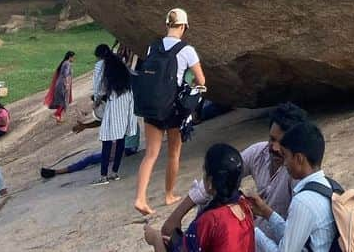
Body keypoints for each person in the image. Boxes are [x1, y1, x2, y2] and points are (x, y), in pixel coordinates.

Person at [162, 103, 307, 240]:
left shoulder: (297, 174)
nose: (274, 147)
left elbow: (293, 232)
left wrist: (263, 212)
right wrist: (177, 216)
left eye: (282, 144)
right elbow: (221, 173)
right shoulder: (259, 152)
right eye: (272, 139)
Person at [134, 8, 206, 216]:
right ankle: (169, 194)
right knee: (173, 151)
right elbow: (201, 80)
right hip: (173, 107)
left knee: (150, 154)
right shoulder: (187, 50)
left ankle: (140, 198)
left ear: (167, 25)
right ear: (183, 27)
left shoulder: (152, 47)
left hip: (152, 106)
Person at [143, 144, 255, 252]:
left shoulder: (211, 220)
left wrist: (156, 239)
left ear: (210, 181)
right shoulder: (244, 204)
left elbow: (169, 231)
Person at [249, 123, 338, 252]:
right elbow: (292, 235)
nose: (284, 163)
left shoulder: (303, 201)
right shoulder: (328, 185)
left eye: (286, 156)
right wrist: (266, 212)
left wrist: (252, 229)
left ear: (299, 158)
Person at [92, 44, 137, 184]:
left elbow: (98, 87)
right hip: (127, 99)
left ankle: (103, 176)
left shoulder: (101, 64)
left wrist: (96, 101)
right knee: (121, 137)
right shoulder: (119, 61)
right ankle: (115, 172)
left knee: (106, 139)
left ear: (99, 55)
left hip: (115, 101)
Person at [44, 51, 75, 122]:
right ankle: (56, 114)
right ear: (70, 57)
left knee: (61, 101)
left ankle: (58, 118)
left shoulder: (63, 62)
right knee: (64, 101)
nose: (74, 59)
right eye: (73, 57)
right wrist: (67, 84)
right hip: (63, 84)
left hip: (59, 83)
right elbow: (66, 74)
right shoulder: (67, 63)